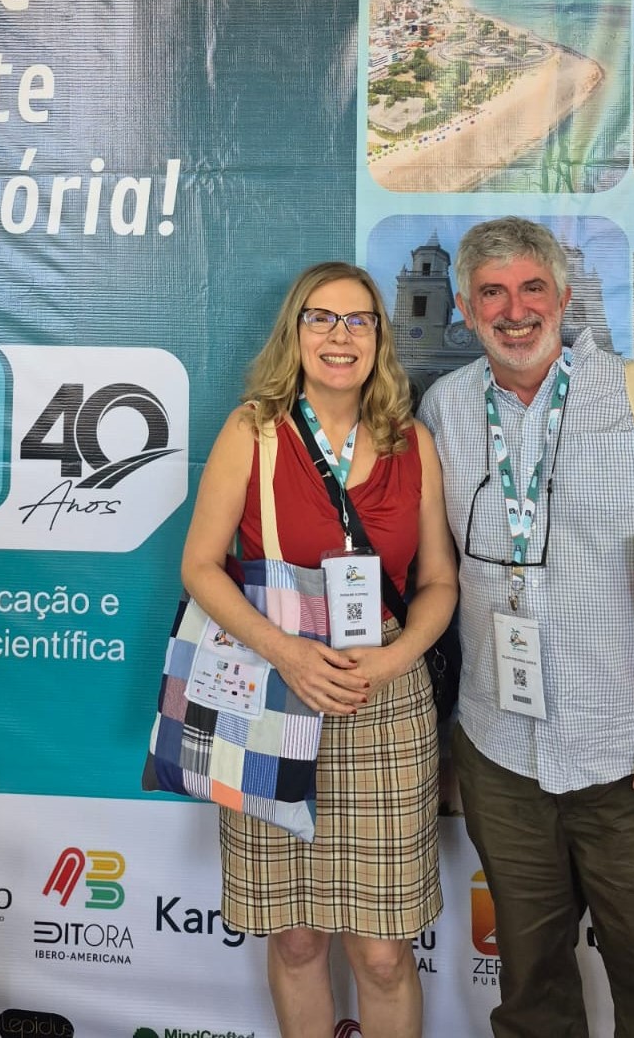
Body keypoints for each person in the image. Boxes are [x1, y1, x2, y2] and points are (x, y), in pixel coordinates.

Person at [417, 217, 634, 1038]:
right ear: (465, 308)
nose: (515, 311)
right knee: (531, 1000)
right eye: (492, 293)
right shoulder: (445, 408)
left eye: (532, 288)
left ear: (564, 297)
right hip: (502, 761)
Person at [181, 261, 458, 1038]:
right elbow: (199, 566)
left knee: (383, 955)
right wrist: (288, 653)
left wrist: (393, 659)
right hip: (274, 688)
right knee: (297, 940)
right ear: (295, 333)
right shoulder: (253, 431)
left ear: (379, 337)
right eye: (322, 318)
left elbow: (439, 582)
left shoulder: (413, 443)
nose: (341, 336)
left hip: (384, 700)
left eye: (358, 319)